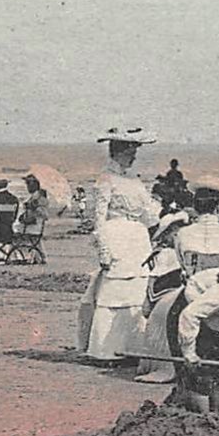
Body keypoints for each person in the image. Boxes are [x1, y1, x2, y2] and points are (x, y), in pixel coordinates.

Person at [77, 127, 161, 362]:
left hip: (138, 239)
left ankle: (133, 348)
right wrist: (103, 249)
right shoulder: (105, 179)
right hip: (115, 237)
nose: (134, 156)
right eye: (130, 151)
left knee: (137, 291)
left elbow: (148, 215)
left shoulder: (134, 180)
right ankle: (105, 350)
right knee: (114, 291)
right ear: (119, 151)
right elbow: (98, 218)